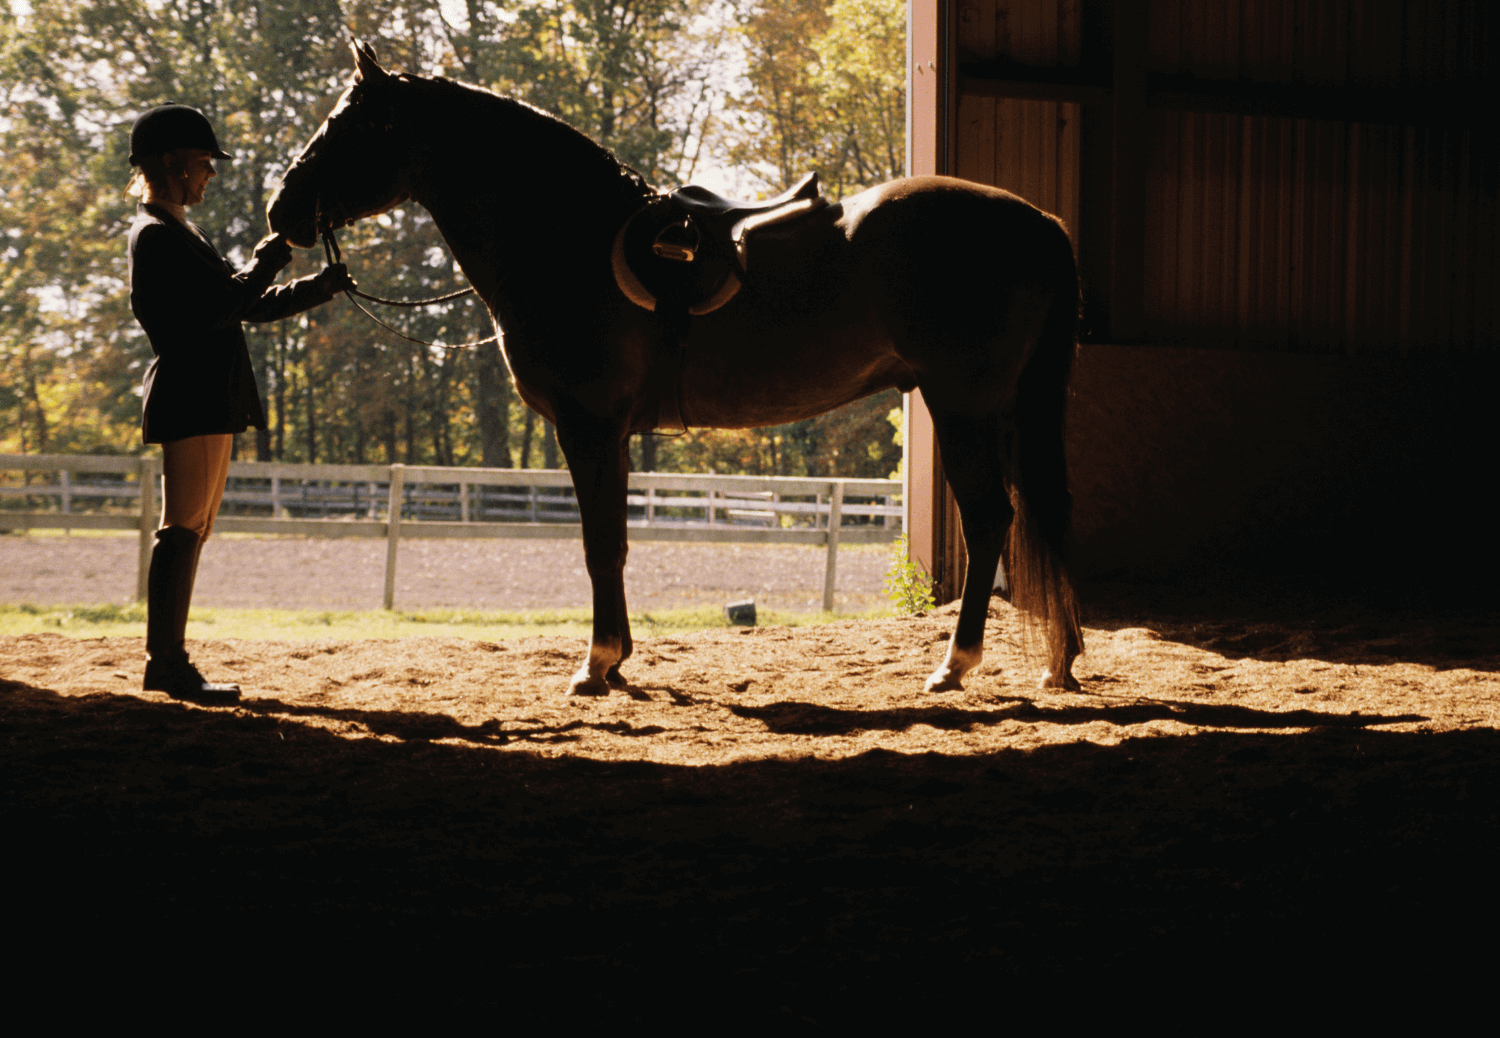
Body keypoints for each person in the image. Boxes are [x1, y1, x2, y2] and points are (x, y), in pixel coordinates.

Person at [126, 103, 353, 705]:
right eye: (203, 162)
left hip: (209, 393)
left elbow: (242, 304)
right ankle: (166, 663)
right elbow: (224, 305)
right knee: (183, 526)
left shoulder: (178, 231)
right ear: (172, 164)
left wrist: (317, 287)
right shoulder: (156, 236)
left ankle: (168, 661)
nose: (210, 174)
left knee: (193, 527)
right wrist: (271, 254)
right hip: (193, 392)